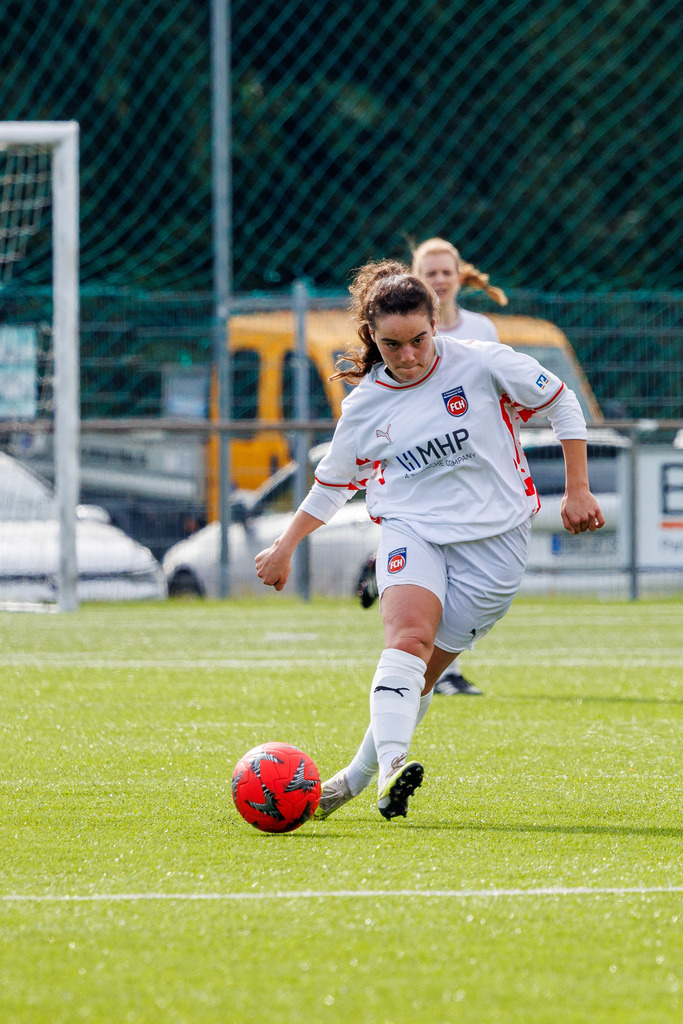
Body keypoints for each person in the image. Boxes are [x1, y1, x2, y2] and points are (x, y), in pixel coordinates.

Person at [255, 260, 604, 823]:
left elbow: (563, 403)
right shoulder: (365, 405)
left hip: (496, 547)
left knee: (423, 673)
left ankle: (350, 782)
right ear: (372, 337)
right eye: (393, 346)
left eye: (419, 340)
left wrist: (578, 489)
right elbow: (331, 484)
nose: (410, 356)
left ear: (435, 321)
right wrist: (285, 545)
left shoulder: (483, 362)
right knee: (408, 640)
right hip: (411, 529)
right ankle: (393, 767)